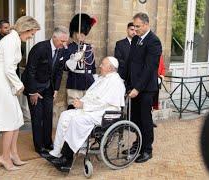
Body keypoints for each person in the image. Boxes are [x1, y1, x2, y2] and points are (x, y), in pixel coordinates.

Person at [0, 16, 40, 171]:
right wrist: (19, 85)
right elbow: (8, 69)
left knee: (16, 119)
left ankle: (13, 154)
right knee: (10, 121)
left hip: (4, 80)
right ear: (25, 29)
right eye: (32, 33)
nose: (32, 36)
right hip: (1, 81)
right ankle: (4, 157)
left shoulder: (14, 39)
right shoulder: (11, 41)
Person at [44, 56, 125, 172]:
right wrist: (81, 102)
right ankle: (56, 152)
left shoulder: (115, 82)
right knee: (65, 115)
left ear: (110, 68)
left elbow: (104, 102)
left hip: (105, 114)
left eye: (103, 64)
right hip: (94, 110)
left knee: (77, 121)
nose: (100, 66)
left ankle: (67, 159)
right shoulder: (103, 78)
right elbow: (92, 96)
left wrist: (84, 105)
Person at [21, 26, 69, 157]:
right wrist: (32, 91)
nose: (64, 45)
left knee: (48, 116)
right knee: (37, 117)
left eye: (66, 42)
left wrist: (56, 89)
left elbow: (59, 71)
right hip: (34, 87)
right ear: (54, 37)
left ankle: (48, 142)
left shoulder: (61, 50)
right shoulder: (40, 48)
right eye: (62, 41)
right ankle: (39, 146)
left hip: (49, 88)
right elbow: (30, 71)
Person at [124, 12, 162, 163]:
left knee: (145, 119)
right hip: (133, 87)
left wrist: (137, 88)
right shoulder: (135, 40)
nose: (135, 29)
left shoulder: (154, 42)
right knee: (135, 119)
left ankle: (147, 149)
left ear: (146, 25)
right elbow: (130, 63)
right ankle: (138, 144)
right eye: (134, 26)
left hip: (146, 89)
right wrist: (125, 82)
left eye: (138, 26)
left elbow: (149, 68)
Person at [64, 13, 97, 110]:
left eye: (84, 33)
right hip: (75, 84)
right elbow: (64, 67)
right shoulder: (68, 48)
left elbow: (93, 68)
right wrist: (74, 59)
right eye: (80, 32)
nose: (83, 35)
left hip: (89, 84)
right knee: (74, 109)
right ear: (74, 32)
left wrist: (95, 82)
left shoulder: (88, 47)